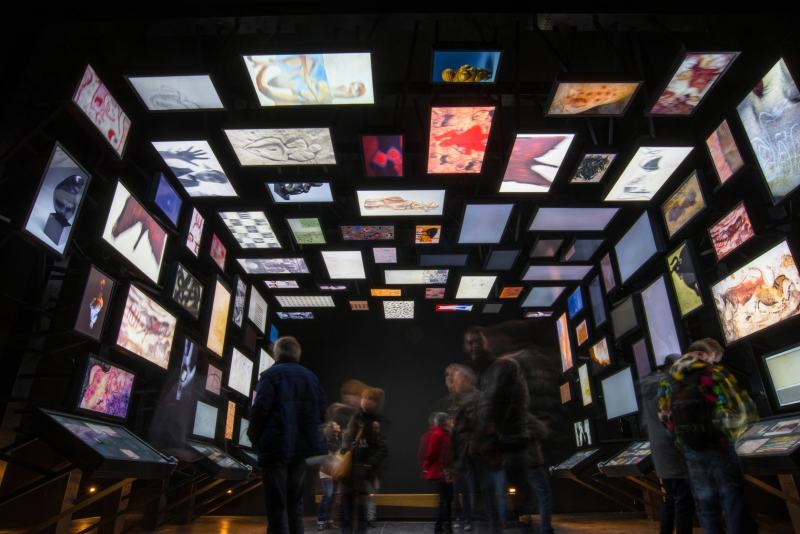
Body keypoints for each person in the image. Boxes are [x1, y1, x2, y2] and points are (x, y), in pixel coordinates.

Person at [658, 338, 759, 534]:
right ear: (708, 354)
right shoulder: (714, 372)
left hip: (690, 449)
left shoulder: (667, 381)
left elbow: (665, 418)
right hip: (719, 445)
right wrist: (733, 434)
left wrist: (683, 441)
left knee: (706, 504)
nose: (715, 362)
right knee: (732, 499)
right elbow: (743, 408)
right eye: (715, 358)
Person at [248, 337, 327, 534]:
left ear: (276, 353)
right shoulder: (311, 378)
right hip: (301, 451)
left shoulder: (270, 376)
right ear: (297, 354)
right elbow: (322, 412)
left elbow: (259, 410)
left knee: (276, 506)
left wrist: (253, 436)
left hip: (275, 448)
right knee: (295, 505)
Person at [640, 354, 694, 534]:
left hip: (659, 450)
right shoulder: (668, 386)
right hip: (673, 448)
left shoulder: (648, 388)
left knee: (670, 497)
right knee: (683, 500)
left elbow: (646, 422)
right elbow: (674, 418)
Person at [340, 387, 388, 534]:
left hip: (364, 474)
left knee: (361, 513)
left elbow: (382, 449)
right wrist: (345, 450)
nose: (365, 401)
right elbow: (347, 441)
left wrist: (368, 465)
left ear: (376, 403)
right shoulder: (355, 417)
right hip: (350, 472)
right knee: (346, 511)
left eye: (370, 399)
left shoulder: (375, 422)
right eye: (364, 397)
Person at [423, 412, 454, 534]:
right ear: (444, 422)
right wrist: (427, 466)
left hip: (446, 472)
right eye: (449, 420)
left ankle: (447, 525)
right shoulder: (438, 434)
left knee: (447, 500)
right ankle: (439, 527)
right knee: (444, 500)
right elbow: (432, 453)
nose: (451, 422)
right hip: (441, 472)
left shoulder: (446, 434)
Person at [318, 421, 342, 531]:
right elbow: (333, 451)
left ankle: (329, 521)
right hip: (327, 471)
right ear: (331, 428)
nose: (339, 426)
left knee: (333, 497)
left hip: (335, 471)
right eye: (336, 425)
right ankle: (321, 520)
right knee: (327, 496)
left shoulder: (338, 438)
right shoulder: (327, 440)